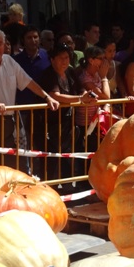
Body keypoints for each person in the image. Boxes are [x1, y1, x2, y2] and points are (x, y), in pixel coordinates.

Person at [0, 28, 60, 173]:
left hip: (8, 121)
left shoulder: (10, 61)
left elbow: (28, 82)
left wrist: (46, 96)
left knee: (10, 163)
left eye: (0, 43)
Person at [39, 43, 96, 185]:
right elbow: (55, 95)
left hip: (69, 122)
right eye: (61, 58)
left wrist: (86, 94)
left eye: (67, 58)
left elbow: (80, 89)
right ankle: (50, 186)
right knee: (51, 156)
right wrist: (80, 99)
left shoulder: (70, 72)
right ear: (52, 59)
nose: (65, 61)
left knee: (69, 154)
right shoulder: (48, 74)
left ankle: (68, 185)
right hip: (50, 123)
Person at [12, 25, 52, 177]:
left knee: (42, 142)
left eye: (35, 37)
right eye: (29, 37)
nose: (33, 40)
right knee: (25, 143)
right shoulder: (16, 61)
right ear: (23, 40)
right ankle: (26, 174)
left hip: (44, 107)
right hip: (23, 108)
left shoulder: (47, 57)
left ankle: (42, 174)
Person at [75, 45, 111, 173]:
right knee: (85, 153)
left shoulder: (96, 75)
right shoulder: (85, 77)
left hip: (96, 121)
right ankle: (82, 180)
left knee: (96, 151)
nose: (104, 62)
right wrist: (104, 77)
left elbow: (105, 96)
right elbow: (106, 96)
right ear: (91, 60)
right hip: (84, 122)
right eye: (101, 58)